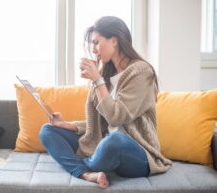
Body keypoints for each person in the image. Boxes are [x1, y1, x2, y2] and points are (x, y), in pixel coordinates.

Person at [39, 16, 172, 189]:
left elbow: (116, 118)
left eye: (96, 42)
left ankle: (77, 165)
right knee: (48, 131)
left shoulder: (141, 72)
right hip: (104, 145)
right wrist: (67, 125)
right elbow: (100, 124)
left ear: (114, 41)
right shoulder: (106, 74)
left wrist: (97, 80)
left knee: (114, 140)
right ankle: (87, 174)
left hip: (135, 153)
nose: (94, 50)